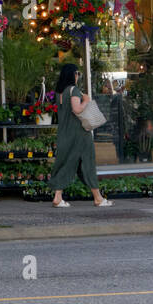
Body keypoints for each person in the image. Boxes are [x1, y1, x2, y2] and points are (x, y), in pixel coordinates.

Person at [48, 63, 111, 208]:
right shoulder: (74, 90)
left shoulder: (59, 92)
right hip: (79, 134)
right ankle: (98, 199)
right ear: (73, 74)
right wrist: (86, 101)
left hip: (65, 133)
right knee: (88, 163)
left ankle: (58, 197)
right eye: (77, 73)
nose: (78, 76)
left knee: (67, 163)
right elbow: (77, 109)